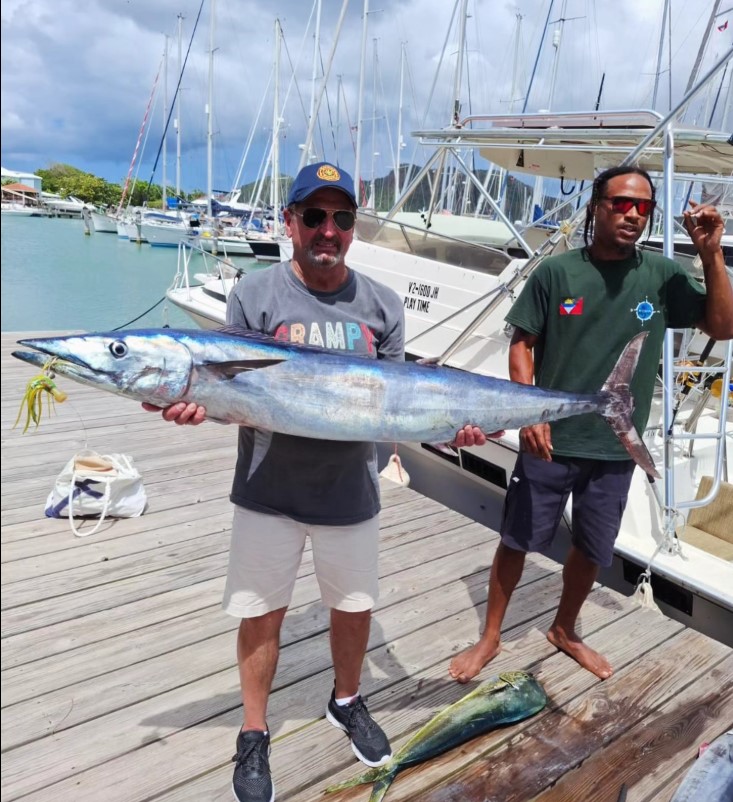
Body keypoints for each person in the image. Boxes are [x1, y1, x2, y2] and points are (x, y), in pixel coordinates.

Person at [144, 161, 492, 802]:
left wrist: (454, 427)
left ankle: (347, 699)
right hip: (266, 491)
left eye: (342, 218)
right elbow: (238, 391)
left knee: (354, 609)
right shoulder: (254, 294)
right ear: (291, 222)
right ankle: (253, 731)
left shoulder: (383, 305)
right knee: (259, 613)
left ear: (353, 229)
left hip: (350, 494)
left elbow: (400, 401)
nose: (327, 229)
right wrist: (196, 402)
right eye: (314, 216)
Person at [448, 165, 733, 685]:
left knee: (594, 546)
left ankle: (565, 628)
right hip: (550, 439)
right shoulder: (556, 273)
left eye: (643, 207)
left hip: (616, 445)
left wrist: (711, 253)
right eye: (621, 203)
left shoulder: (662, 277)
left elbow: (722, 325)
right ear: (596, 206)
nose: (632, 214)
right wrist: (531, 412)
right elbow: (522, 345)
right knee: (517, 538)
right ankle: (490, 636)